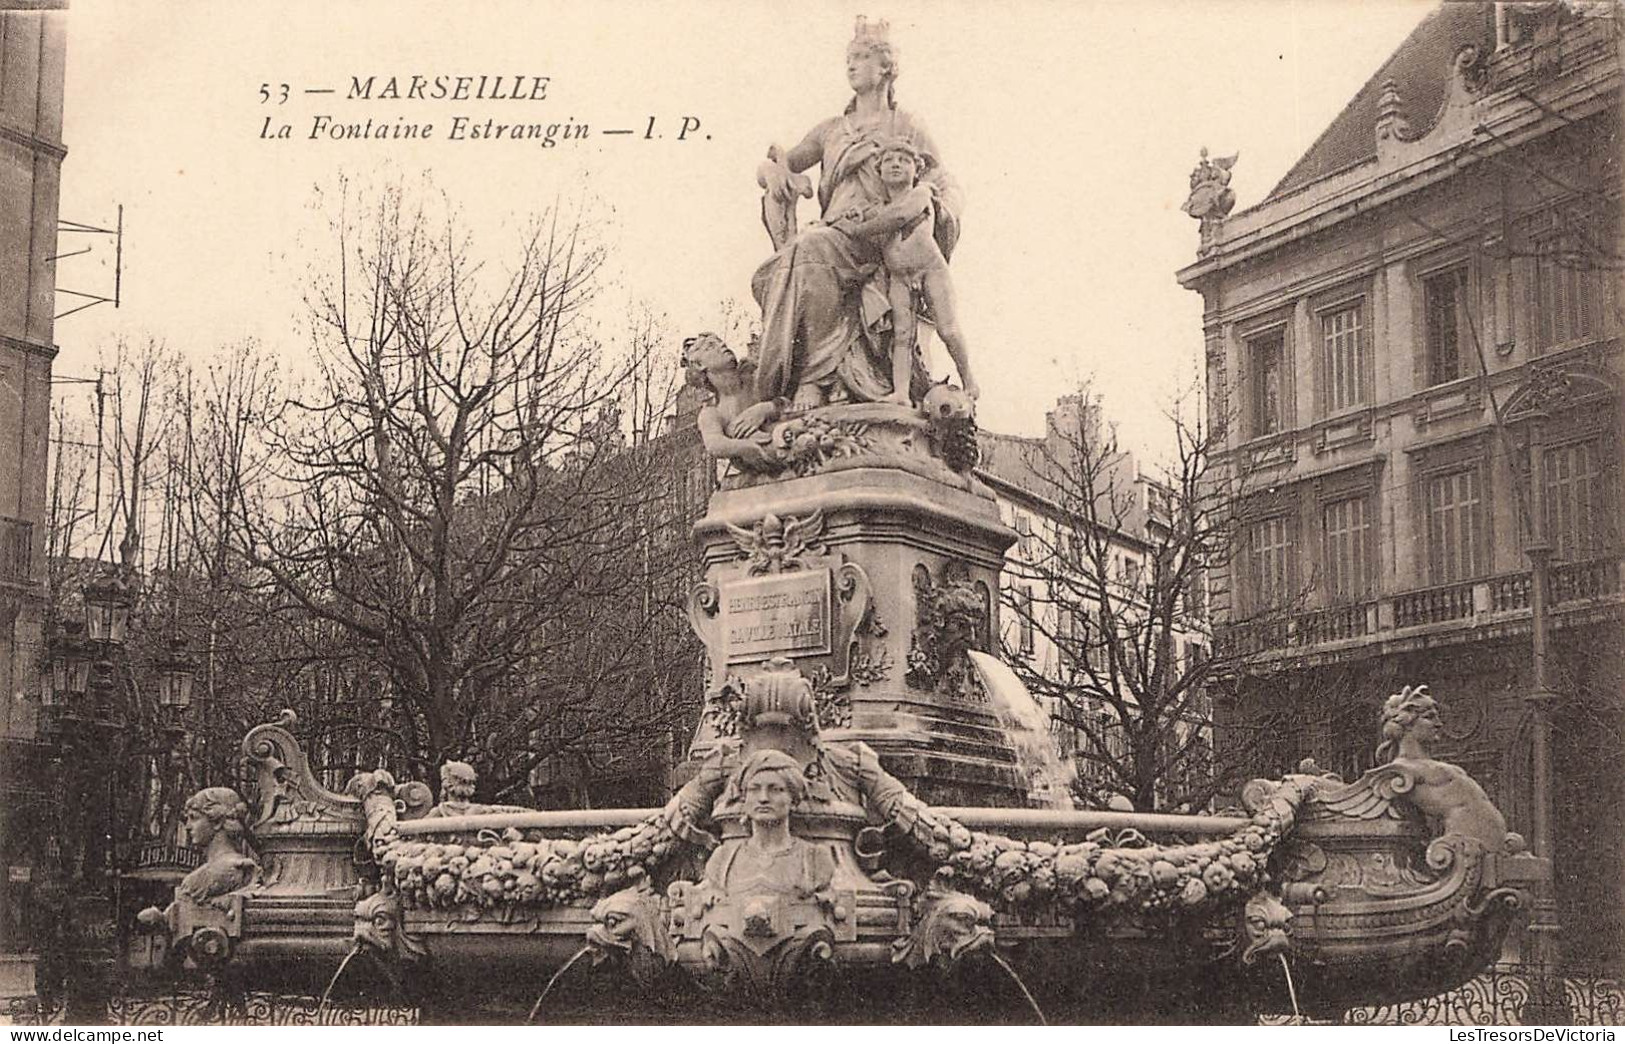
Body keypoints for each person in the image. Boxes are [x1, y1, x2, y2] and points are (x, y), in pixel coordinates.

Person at [751, 17, 964, 410]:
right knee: (810, 247)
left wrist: (926, 203)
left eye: (862, 57)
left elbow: (943, 180)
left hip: (883, 239)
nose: (851, 65)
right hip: (837, 230)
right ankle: (814, 377)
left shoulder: (906, 124)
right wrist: (770, 172)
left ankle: (814, 381)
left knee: (812, 248)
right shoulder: (831, 129)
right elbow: (784, 163)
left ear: (886, 67)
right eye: (849, 58)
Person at [831, 137, 977, 403]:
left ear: (916, 169)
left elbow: (899, 216)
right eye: (888, 161)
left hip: (930, 270)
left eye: (904, 160)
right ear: (879, 172)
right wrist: (851, 220)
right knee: (903, 336)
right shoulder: (877, 209)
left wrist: (859, 228)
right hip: (899, 277)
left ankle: (969, 381)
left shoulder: (921, 194)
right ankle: (901, 392)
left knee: (948, 329)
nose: (895, 164)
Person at [1376, 685, 1509, 850]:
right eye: (1429, 717)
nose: (1438, 724)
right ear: (1407, 723)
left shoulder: (1429, 767)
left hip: (1488, 848)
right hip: (1463, 851)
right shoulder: (1401, 771)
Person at [704, 750, 834, 899]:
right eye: (754, 789)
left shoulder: (815, 860)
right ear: (744, 797)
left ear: (794, 799)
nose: (763, 798)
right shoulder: (722, 860)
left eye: (775, 790)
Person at [683, 332, 781, 471]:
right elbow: (714, 444)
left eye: (721, 342)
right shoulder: (713, 413)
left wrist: (766, 409)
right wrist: (746, 447)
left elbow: (793, 400)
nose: (722, 345)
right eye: (711, 346)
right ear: (699, 364)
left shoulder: (756, 379)